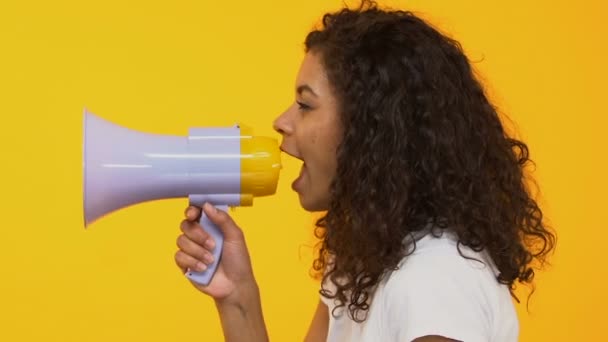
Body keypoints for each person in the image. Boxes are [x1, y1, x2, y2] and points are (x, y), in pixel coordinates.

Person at [174, 1, 556, 341]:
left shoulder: (435, 283)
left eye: (305, 105)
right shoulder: (360, 264)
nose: (281, 122)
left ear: (370, 127)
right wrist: (238, 295)